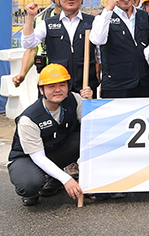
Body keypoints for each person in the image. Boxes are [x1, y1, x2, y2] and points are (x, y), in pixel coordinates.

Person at [8, 64, 92, 206]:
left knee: (84, 136)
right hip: (27, 158)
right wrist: (67, 179)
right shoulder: (28, 119)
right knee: (30, 184)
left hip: (54, 151)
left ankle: (55, 176)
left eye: (62, 85)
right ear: (41, 90)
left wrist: (89, 102)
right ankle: (35, 187)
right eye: (51, 86)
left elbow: (91, 125)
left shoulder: (75, 99)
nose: (58, 90)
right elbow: (38, 157)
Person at [21, 0, 98, 98]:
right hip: (57, 88)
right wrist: (30, 17)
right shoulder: (48, 23)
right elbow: (28, 43)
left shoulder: (94, 22)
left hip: (86, 89)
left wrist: (95, 86)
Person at [90, 0, 149, 98]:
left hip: (142, 85)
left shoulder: (144, 16)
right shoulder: (103, 18)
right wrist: (108, 10)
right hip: (116, 87)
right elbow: (97, 39)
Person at [13, 0, 66, 87]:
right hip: (47, 77)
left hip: (73, 76)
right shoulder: (42, 19)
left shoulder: (85, 20)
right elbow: (31, 49)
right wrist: (22, 74)